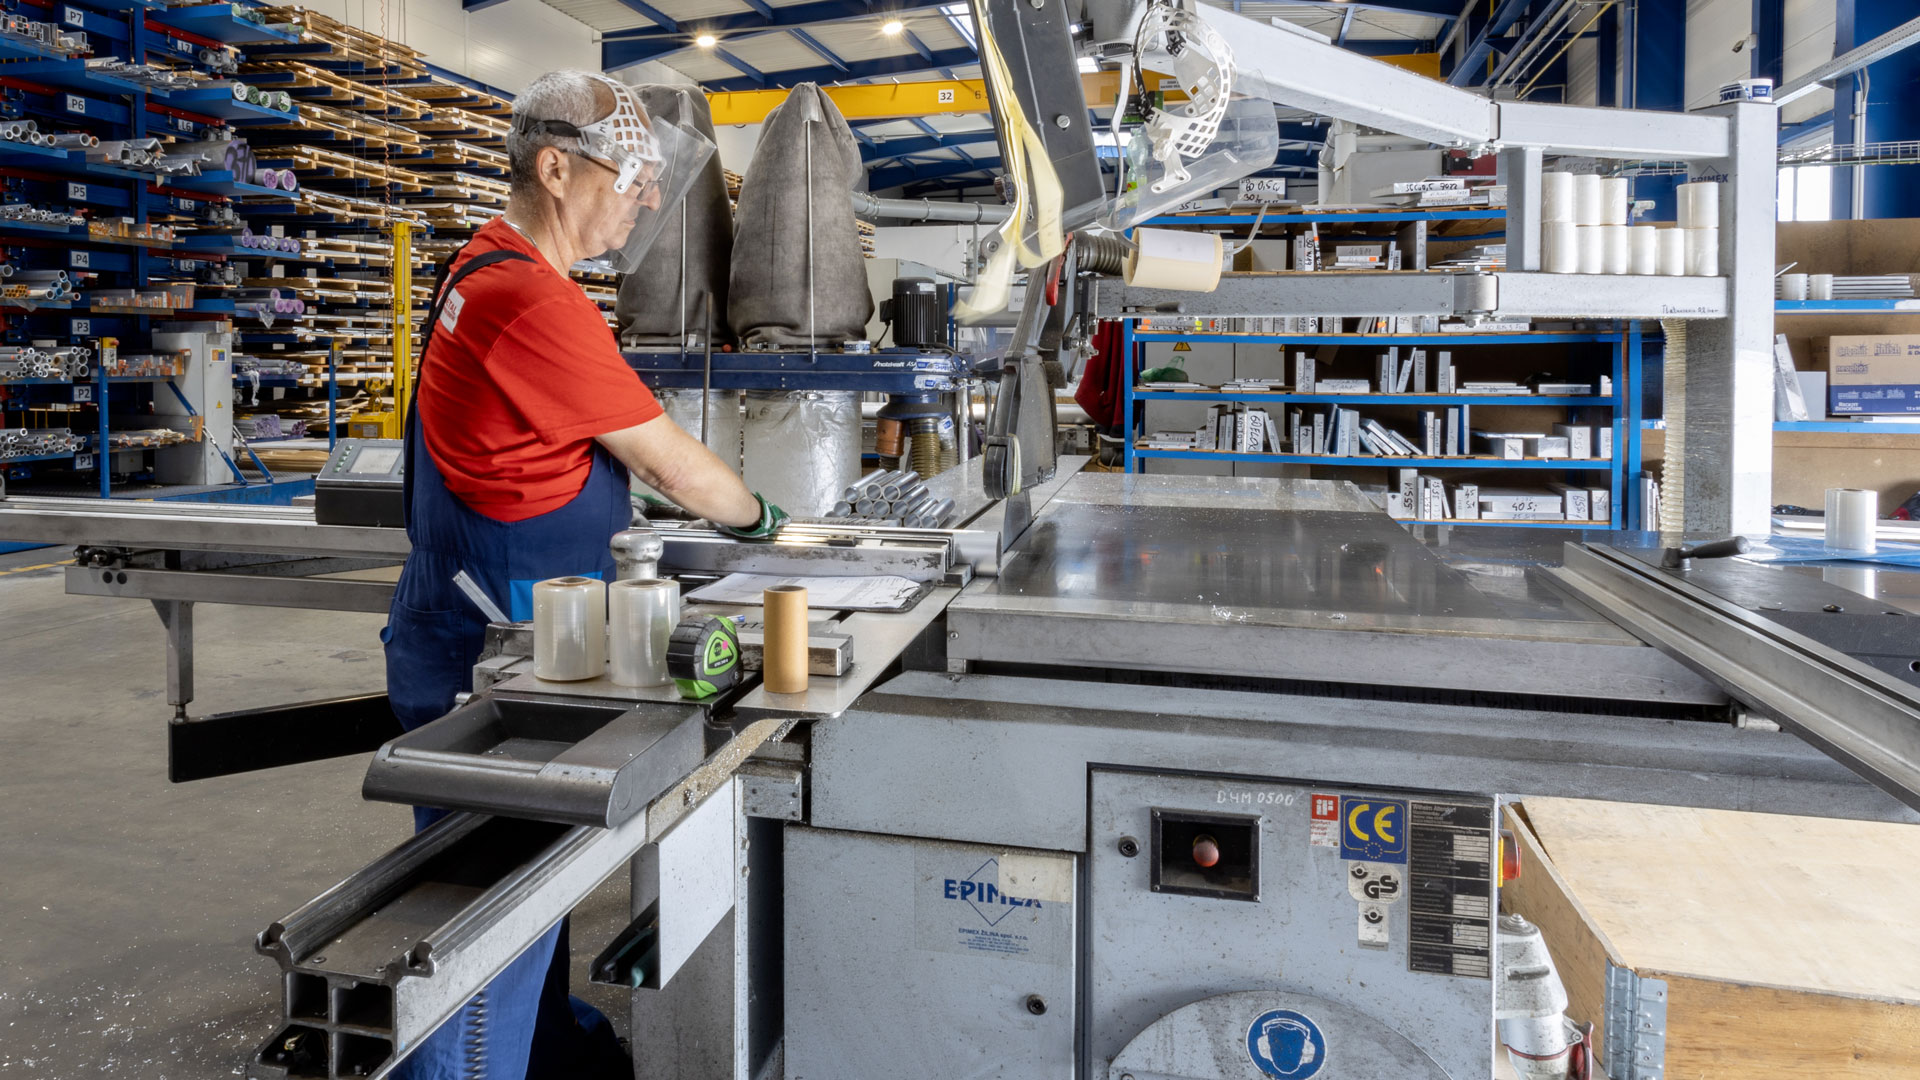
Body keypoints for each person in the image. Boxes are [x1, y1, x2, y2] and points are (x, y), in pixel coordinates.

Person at [381, 69, 784, 1079]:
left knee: (529, 872)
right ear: (556, 169)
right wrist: (763, 519)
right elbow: (669, 461)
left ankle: (547, 1048)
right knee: (489, 907)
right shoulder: (531, 300)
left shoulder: (484, 262)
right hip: (504, 644)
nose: (644, 201)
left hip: (477, 618)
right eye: (630, 179)